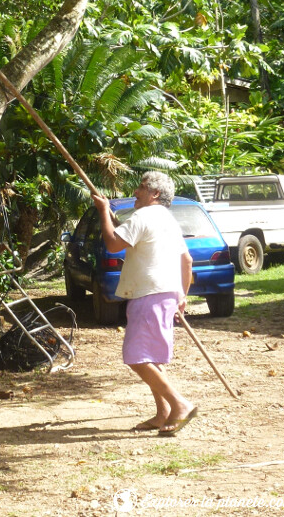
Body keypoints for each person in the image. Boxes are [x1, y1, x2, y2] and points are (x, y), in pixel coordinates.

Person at [93, 171, 196, 436]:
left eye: (141, 187)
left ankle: (179, 403)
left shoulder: (144, 215)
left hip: (149, 294)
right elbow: (187, 261)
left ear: (155, 194)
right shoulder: (168, 220)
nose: (136, 192)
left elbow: (113, 243)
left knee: (137, 357)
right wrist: (181, 296)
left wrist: (103, 210)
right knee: (151, 357)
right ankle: (163, 413)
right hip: (165, 293)